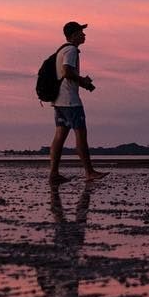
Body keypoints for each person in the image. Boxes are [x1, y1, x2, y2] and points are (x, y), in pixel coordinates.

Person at [48, 21, 105, 183]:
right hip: (70, 101)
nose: (84, 35)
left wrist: (82, 83)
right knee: (81, 134)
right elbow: (67, 72)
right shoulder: (72, 50)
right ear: (73, 35)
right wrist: (83, 81)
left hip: (58, 101)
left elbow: (66, 73)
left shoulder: (62, 50)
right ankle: (89, 172)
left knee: (60, 136)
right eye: (81, 32)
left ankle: (53, 174)